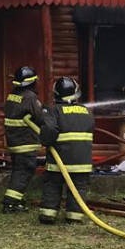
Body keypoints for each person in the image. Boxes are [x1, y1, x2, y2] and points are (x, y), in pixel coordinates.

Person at [37, 77, 94, 224]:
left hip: (59, 160)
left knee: (53, 185)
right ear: (76, 92)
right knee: (78, 188)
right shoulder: (86, 111)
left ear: (56, 93)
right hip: (82, 162)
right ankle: (74, 217)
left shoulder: (53, 110)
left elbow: (49, 129)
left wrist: (45, 141)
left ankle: (48, 215)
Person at [1, 66, 46, 214]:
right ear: (32, 82)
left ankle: (16, 200)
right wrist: (44, 111)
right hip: (25, 142)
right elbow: (39, 118)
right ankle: (10, 203)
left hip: (14, 141)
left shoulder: (12, 95)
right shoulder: (30, 97)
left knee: (19, 170)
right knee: (25, 171)